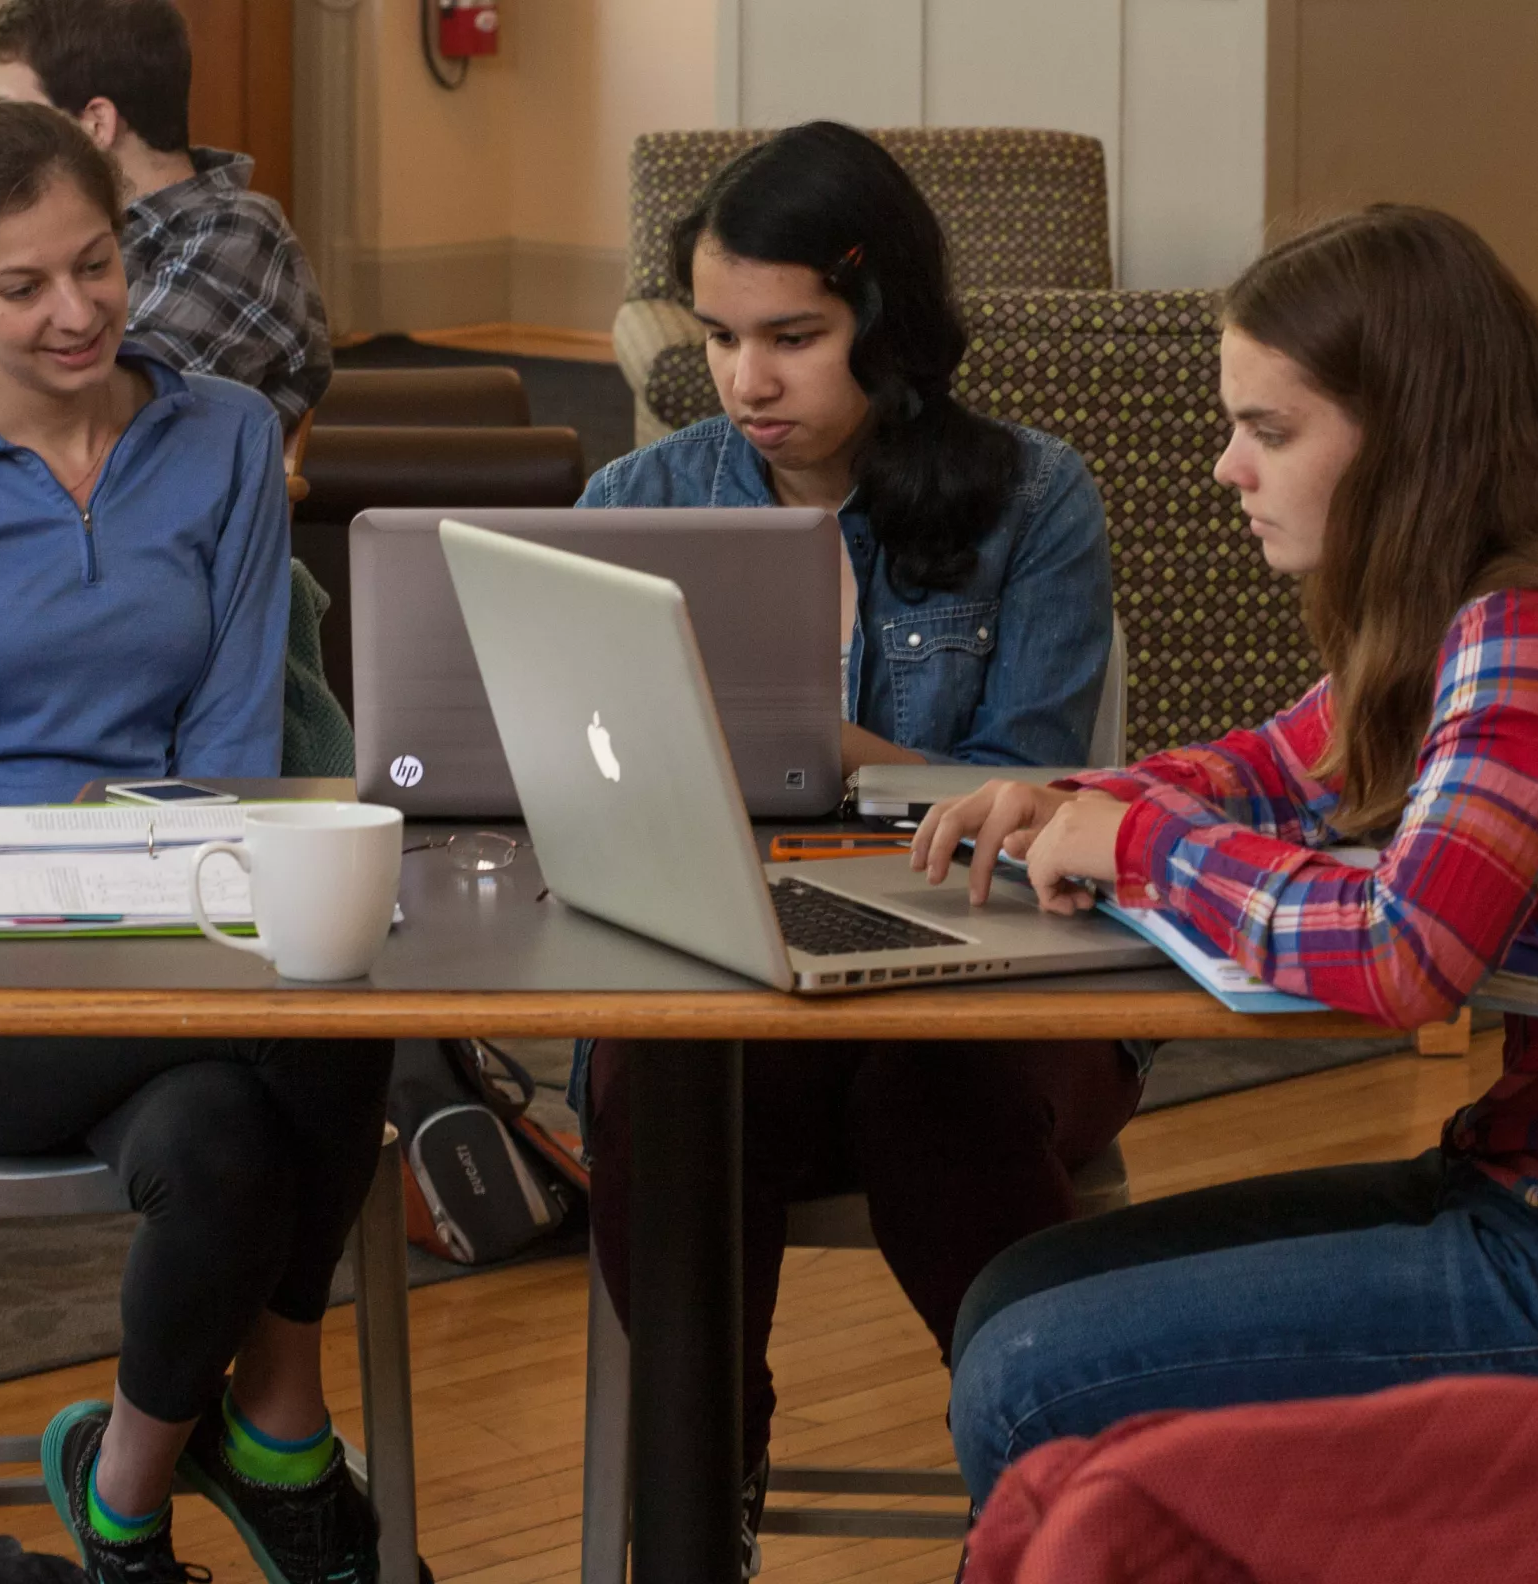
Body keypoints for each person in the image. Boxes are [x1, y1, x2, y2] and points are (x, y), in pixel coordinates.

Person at [928, 205, 1538, 1509]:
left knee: (1031, 1368)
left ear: (1409, 437)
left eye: (1269, 430)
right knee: (1016, 1298)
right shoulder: (1517, 586)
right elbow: (1275, 764)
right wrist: (1072, 800)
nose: (1226, 469)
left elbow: (1404, 954)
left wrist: (1142, 845)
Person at [0, 100, 394, 1584]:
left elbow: (236, 750)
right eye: (22, 286)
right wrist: (40, 863)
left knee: (230, 1126)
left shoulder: (228, 438)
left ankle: (124, 1497)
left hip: (169, 908)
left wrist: (139, 879)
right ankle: (282, 1442)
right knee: (316, 1016)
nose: (76, 312)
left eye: (96, 263)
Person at [572, 121, 1139, 1571]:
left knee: (929, 1096)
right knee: (662, 1086)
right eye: (718, 337)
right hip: (739, 993)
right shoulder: (638, 506)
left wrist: (818, 758)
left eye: (794, 337)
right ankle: (711, 1482)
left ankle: (1040, 1491)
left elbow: (1037, 805)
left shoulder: (1030, 498)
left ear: (885, 322)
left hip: (984, 998)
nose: (748, 380)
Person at [0, 0, 331, 428]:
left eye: (16, 114)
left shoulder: (235, 232)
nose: (2, 139)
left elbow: (99, 412)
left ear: (96, 124)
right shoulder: (86, 231)